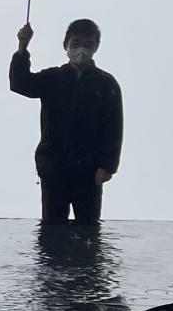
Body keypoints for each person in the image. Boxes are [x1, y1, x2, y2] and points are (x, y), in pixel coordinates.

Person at [10, 18, 123, 224]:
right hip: (53, 166)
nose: (82, 50)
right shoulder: (53, 77)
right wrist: (22, 47)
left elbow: (114, 128)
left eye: (88, 44)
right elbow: (20, 83)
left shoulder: (107, 84)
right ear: (66, 45)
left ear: (96, 47)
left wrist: (108, 165)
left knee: (88, 229)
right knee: (52, 228)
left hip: (90, 169)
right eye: (76, 43)